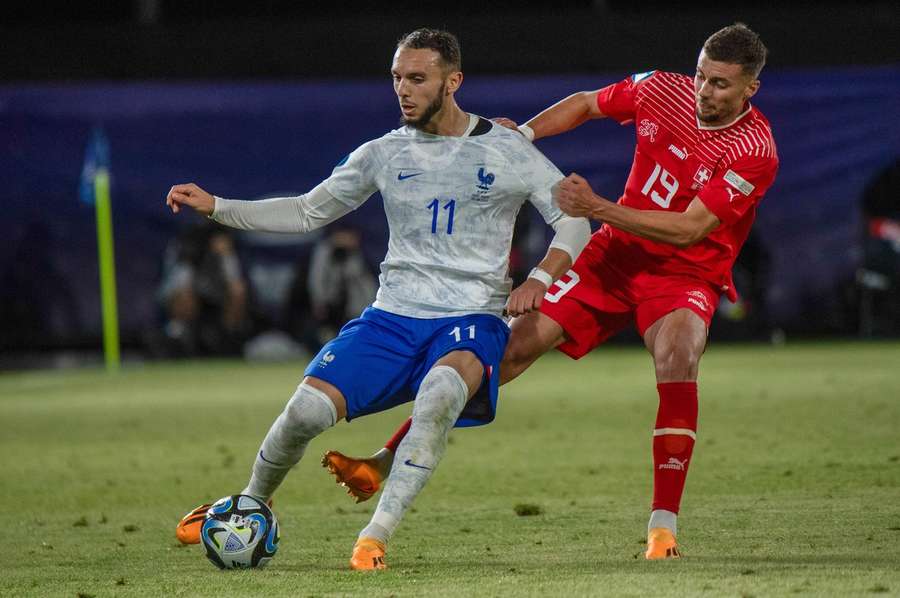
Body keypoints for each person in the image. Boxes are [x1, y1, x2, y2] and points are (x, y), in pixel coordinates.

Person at [323, 22, 779, 560]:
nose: (704, 92)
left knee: (678, 355)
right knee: (508, 349)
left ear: (750, 87)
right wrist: (527, 136)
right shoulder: (663, 88)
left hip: (685, 273)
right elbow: (587, 104)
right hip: (612, 258)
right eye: (702, 76)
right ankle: (383, 459)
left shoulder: (755, 149)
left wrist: (597, 208)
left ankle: (662, 528)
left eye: (721, 84)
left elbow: (689, 229)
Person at [167, 28, 591, 570]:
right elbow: (306, 211)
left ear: (453, 81)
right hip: (392, 318)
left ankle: (374, 537)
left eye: (417, 78)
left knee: (439, 395)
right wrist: (218, 206)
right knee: (303, 413)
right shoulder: (383, 153)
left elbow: (574, 219)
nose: (404, 90)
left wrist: (541, 276)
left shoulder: (506, 149)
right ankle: (250, 501)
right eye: (397, 78)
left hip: (471, 317)